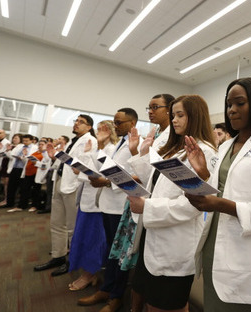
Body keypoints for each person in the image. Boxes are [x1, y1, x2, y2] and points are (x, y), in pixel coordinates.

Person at [185, 78, 251, 312]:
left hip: (245, 250)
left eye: (240, 103)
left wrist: (220, 204)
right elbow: (220, 186)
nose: (232, 110)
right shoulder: (225, 146)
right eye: (229, 104)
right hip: (214, 242)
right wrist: (202, 172)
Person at [128, 94, 218, 312]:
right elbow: (157, 182)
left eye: (180, 115)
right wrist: (139, 153)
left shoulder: (205, 151)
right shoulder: (175, 148)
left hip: (176, 243)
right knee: (154, 302)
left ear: (195, 117)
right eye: (173, 115)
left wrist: (147, 207)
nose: (174, 120)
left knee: (167, 305)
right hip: (155, 236)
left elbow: (194, 205)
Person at [109, 93, 174, 312]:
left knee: (144, 260)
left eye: (155, 107)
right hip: (141, 200)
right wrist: (138, 149)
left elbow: (156, 173)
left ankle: (135, 302)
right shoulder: (155, 133)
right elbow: (147, 169)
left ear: (169, 109)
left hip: (154, 204)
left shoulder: (173, 136)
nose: (150, 111)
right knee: (136, 258)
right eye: (149, 107)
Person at [78, 108, 139, 312]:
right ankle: (106, 288)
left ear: (132, 123)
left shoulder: (135, 144)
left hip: (122, 205)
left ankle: (116, 295)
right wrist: (101, 143)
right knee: (112, 252)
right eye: (114, 123)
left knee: (121, 253)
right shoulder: (118, 143)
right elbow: (102, 165)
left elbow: (136, 174)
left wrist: (106, 183)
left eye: (119, 123)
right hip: (108, 204)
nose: (115, 126)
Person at [34, 115, 96, 276]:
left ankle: (72, 260)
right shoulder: (72, 141)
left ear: (89, 127)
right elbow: (65, 162)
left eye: (81, 122)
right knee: (56, 223)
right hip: (60, 180)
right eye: (76, 120)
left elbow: (83, 165)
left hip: (74, 185)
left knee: (72, 227)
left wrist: (63, 157)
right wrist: (55, 156)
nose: (76, 123)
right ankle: (58, 255)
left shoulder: (90, 141)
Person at [68, 122, 112, 291]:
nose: (99, 132)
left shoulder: (111, 148)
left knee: (93, 240)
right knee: (82, 237)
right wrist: (84, 160)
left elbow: (104, 175)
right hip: (87, 199)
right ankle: (86, 272)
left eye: (104, 129)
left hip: (98, 203)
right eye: (98, 129)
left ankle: (90, 273)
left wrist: (81, 170)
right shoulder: (97, 147)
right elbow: (90, 169)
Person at [9, 138, 47, 212]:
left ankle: (34, 205)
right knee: (24, 190)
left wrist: (37, 163)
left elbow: (46, 166)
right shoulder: (35, 152)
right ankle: (22, 205)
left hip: (36, 174)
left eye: (42, 144)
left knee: (36, 191)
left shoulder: (46, 154)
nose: (40, 146)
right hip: (27, 173)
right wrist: (25, 156)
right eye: (39, 144)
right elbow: (26, 161)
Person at [5, 134, 37, 211]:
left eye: (27, 141)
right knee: (11, 187)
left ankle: (22, 205)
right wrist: (8, 150)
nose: (25, 142)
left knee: (24, 189)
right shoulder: (19, 146)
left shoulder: (34, 148)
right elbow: (11, 156)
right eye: (24, 140)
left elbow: (32, 160)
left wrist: (23, 157)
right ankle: (9, 203)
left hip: (24, 170)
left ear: (31, 140)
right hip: (15, 168)